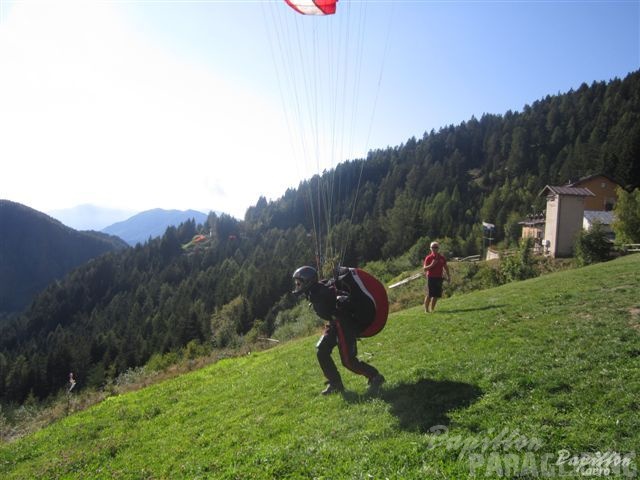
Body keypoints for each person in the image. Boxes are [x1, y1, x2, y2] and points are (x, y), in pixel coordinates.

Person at [292, 266, 385, 395]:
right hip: (334, 323)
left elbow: (340, 299)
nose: (297, 286)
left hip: (343, 323)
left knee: (348, 361)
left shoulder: (322, 292)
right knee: (322, 351)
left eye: (299, 283)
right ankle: (335, 384)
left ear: (307, 281)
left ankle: (375, 376)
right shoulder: (314, 291)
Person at [423, 241, 450, 313]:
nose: (434, 249)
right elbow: (424, 269)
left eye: (436, 247)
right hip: (431, 278)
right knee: (429, 294)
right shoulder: (428, 258)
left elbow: (446, 267)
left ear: (438, 248)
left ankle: (432, 309)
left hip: (439, 278)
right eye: (433, 247)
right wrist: (432, 265)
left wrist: (448, 276)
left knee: (436, 295)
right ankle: (426, 310)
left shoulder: (442, 258)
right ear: (430, 249)